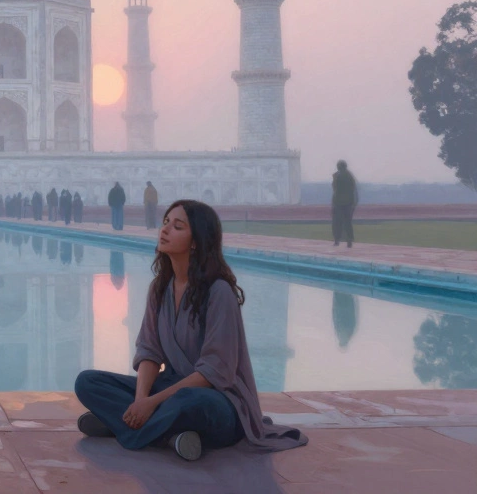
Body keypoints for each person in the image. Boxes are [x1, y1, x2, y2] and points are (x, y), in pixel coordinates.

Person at [74, 200, 308, 460]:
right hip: (171, 391)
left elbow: (214, 371)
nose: (165, 230)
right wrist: (141, 400)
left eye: (177, 226)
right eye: (165, 223)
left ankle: (123, 429)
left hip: (219, 403)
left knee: (190, 401)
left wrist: (151, 403)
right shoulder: (160, 288)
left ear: (195, 241)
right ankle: (169, 436)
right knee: (87, 382)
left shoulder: (219, 292)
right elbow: (149, 351)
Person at [332, 161, 358, 248]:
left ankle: (337, 240)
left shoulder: (338, 176)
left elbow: (335, 188)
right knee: (348, 222)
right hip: (349, 203)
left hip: (339, 202)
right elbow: (354, 189)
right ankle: (349, 240)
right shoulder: (350, 176)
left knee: (337, 222)